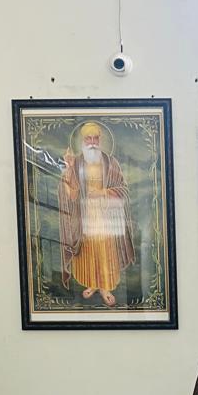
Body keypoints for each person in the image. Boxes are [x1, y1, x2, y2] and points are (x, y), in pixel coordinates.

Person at [57, 121, 135, 308]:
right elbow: (71, 195)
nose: (92, 142)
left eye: (95, 138)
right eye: (88, 139)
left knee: (104, 248)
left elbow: (123, 190)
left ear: (100, 140)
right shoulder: (76, 163)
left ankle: (105, 286)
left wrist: (103, 193)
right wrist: (69, 168)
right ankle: (92, 283)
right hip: (83, 215)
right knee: (88, 249)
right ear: (82, 141)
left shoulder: (110, 162)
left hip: (106, 215)